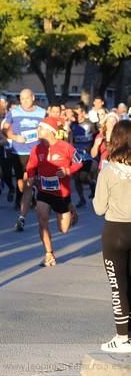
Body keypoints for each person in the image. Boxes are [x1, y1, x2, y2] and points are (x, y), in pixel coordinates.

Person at [93, 120, 131, 352]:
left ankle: (122, 337)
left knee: (118, 286)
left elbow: (98, 208)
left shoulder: (108, 170)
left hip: (115, 231)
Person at [25, 117, 82, 267]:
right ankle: (49, 254)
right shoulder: (36, 149)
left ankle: (71, 209)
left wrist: (68, 170)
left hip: (62, 193)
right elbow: (31, 165)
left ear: (51, 132)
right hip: (44, 191)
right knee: (42, 218)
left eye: (41, 128)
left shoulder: (65, 147)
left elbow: (79, 161)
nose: (38, 131)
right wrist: (30, 177)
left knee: (63, 229)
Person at [2, 89, 46, 231]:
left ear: (33, 97)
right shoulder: (14, 112)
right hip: (18, 151)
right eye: (22, 99)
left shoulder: (41, 112)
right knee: (21, 184)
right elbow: (5, 129)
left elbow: (48, 130)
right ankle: (31, 191)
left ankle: (22, 216)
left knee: (28, 183)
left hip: (35, 152)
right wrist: (15, 137)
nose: (24, 101)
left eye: (27, 98)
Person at [70, 103, 98, 207]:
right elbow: (70, 139)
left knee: (83, 177)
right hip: (75, 155)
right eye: (75, 114)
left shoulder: (90, 124)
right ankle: (82, 199)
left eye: (78, 114)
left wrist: (92, 147)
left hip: (87, 156)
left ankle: (92, 184)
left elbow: (96, 136)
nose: (76, 116)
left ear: (83, 113)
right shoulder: (72, 125)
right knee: (76, 178)